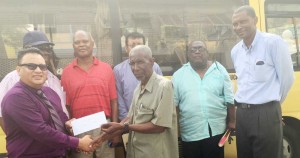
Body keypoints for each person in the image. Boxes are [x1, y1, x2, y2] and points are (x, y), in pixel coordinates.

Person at [1, 48, 93, 158]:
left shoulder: (49, 92)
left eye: (43, 67)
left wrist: (68, 125)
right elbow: (41, 131)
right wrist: (79, 143)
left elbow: (61, 118)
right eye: (31, 66)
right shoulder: (16, 97)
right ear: (18, 70)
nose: (38, 70)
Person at [231, 5, 294, 158]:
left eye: (243, 22)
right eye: (235, 24)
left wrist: (273, 108)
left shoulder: (273, 43)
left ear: (255, 20)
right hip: (242, 115)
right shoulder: (235, 51)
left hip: (266, 113)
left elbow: (287, 78)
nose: (238, 27)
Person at [98, 45, 179, 158]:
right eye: (132, 63)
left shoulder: (164, 86)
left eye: (140, 62)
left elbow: (159, 126)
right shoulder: (138, 88)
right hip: (136, 152)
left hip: (155, 153)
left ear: (152, 62)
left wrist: (124, 127)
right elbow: (130, 118)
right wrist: (103, 137)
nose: (135, 68)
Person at [172, 40, 235, 158]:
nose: (197, 52)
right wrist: (174, 131)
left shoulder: (220, 70)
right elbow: (174, 106)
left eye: (200, 49)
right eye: (193, 50)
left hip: (216, 131)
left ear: (207, 52)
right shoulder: (178, 75)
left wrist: (232, 121)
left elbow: (230, 98)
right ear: (188, 55)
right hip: (190, 132)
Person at [61, 30, 118, 158]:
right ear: (73, 46)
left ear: (92, 44)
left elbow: (113, 101)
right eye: (77, 42)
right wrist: (70, 135)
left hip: (104, 127)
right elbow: (67, 106)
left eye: (85, 41)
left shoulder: (106, 68)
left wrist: (115, 132)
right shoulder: (67, 72)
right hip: (79, 128)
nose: (81, 45)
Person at [0, 30, 69, 131]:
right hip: (34, 142)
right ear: (26, 51)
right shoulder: (11, 79)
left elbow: (61, 112)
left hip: (59, 143)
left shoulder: (53, 79)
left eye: (47, 48)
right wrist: (16, 140)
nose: (45, 52)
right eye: (40, 48)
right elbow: (1, 115)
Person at [114, 32, 162, 120]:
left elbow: (160, 95)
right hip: (128, 122)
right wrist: (127, 121)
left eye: (139, 45)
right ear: (126, 48)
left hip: (152, 121)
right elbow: (119, 99)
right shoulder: (118, 70)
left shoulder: (155, 66)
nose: (136, 48)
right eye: (132, 45)